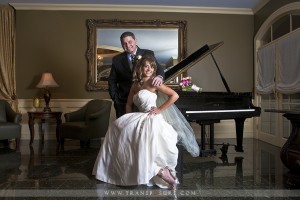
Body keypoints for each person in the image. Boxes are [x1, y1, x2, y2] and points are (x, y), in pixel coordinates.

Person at [93, 55, 200, 190]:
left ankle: (159, 171)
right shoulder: (135, 85)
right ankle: (125, 170)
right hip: (139, 116)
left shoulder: (154, 82)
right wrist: (127, 119)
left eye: (152, 66)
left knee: (144, 140)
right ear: (141, 68)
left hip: (152, 117)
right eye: (146, 66)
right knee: (116, 127)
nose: (149, 69)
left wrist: (159, 109)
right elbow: (128, 104)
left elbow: (175, 95)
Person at [108, 31, 165, 118]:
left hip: (144, 101)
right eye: (124, 43)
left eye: (130, 42)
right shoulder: (117, 59)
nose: (127, 45)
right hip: (123, 101)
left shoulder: (148, 53)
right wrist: (115, 97)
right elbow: (112, 80)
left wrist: (159, 77)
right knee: (126, 129)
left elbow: (159, 68)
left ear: (135, 40)